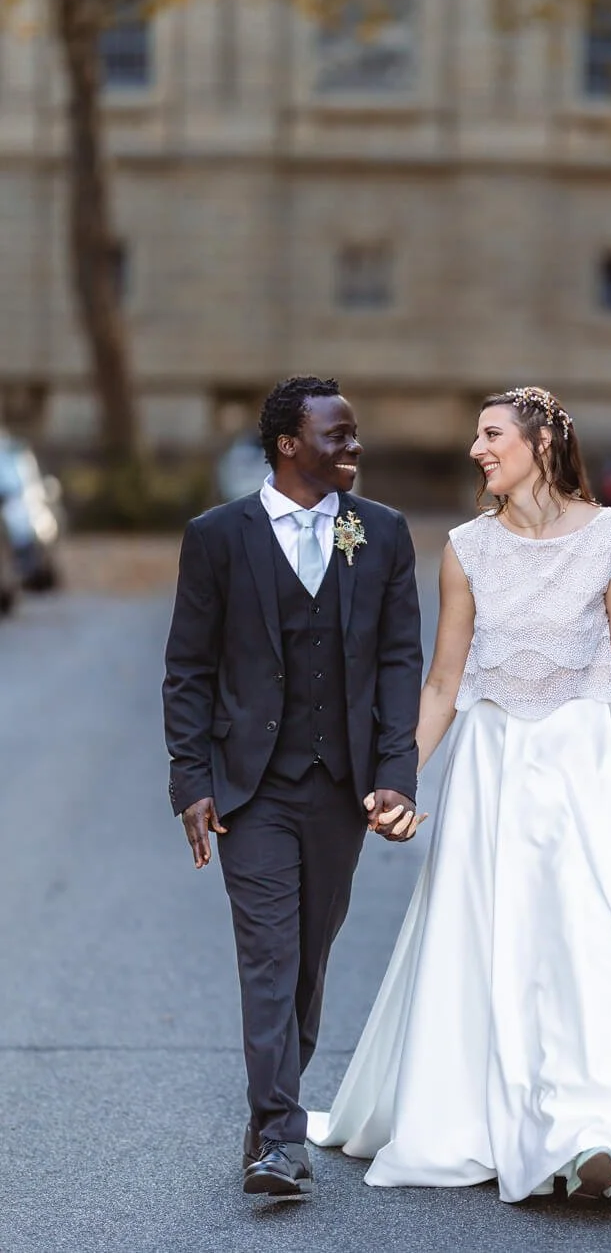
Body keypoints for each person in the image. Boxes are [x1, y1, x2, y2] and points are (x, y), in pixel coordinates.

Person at [308, 385, 611, 1203]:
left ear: (542, 443)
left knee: (593, 939)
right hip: (494, 769)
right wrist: (397, 780)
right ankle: (484, 1121)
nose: (477, 449)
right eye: (476, 436)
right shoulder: (466, 549)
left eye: (492, 434)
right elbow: (443, 683)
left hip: (589, 767)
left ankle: (599, 1130)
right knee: (493, 942)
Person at [163, 375, 423, 1198]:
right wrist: (190, 780)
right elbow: (188, 668)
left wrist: (396, 774)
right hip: (251, 788)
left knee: (309, 959)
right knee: (269, 956)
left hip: (341, 787)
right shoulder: (217, 537)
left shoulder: (381, 533)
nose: (354, 446)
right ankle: (279, 1134)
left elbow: (399, 662)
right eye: (337, 435)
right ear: (288, 445)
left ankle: (270, 1113)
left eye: (353, 433)